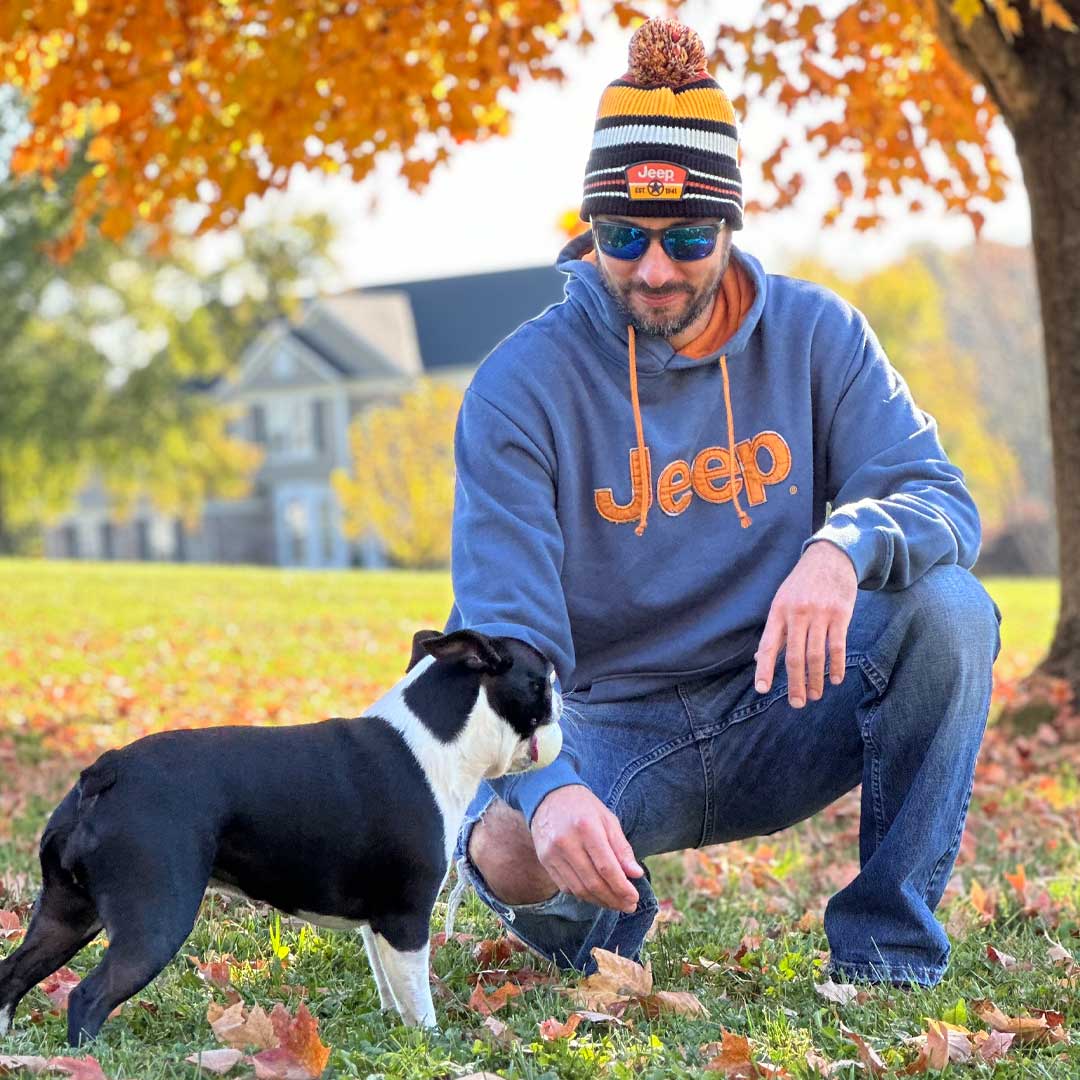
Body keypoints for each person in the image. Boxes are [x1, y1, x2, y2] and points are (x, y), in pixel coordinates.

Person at [439, 16, 1002, 987]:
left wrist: (843, 548)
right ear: (589, 230)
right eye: (623, 236)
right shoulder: (517, 388)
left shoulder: (820, 336)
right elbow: (502, 635)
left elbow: (936, 495)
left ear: (732, 228)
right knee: (507, 842)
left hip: (781, 703)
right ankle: (595, 922)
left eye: (687, 235)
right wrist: (548, 787)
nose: (653, 269)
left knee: (950, 610)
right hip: (607, 728)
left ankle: (887, 951)